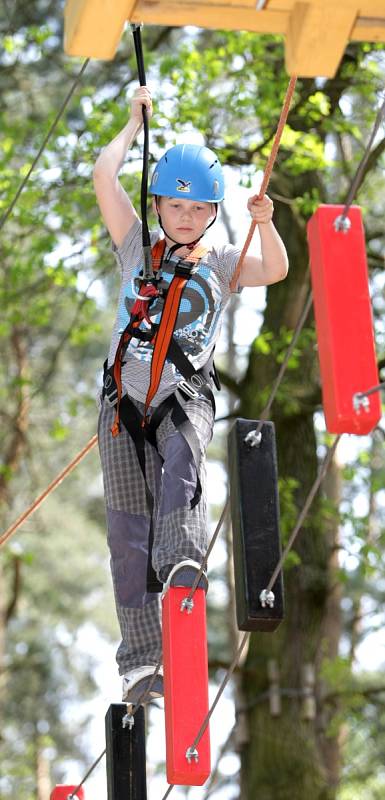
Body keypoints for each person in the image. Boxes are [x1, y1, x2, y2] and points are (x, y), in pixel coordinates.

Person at [93, 86, 289, 710]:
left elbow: (276, 270)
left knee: (180, 472)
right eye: (172, 205)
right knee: (126, 531)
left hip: (183, 397)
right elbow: (104, 174)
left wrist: (267, 226)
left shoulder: (225, 260)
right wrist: (132, 124)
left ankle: (182, 563)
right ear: (156, 205)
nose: (182, 216)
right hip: (122, 407)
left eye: (195, 207)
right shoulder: (135, 247)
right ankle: (141, 660)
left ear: (210, 214)